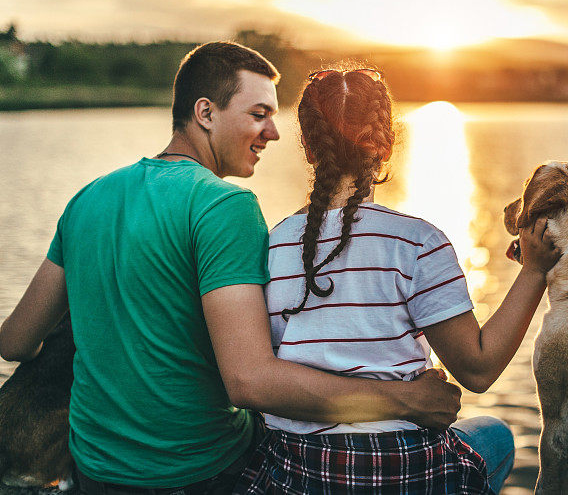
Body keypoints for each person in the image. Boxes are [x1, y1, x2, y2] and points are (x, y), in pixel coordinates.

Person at [0, 42, 463, 493]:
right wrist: (408, 400)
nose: (274, 132)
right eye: (259, 115)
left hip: (97, 470)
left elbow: (15, 341)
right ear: (205, 113)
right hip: (201, 471)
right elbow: (249, 381)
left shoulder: (89, 197)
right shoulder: (224, 205)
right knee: (487, 438)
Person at [235, 68, 561, 494]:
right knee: (496, 434)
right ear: (386, 146)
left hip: (300, 471)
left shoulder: (270, 245)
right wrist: (534, 271)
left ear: (310, 148)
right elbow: (477, 371)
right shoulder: (418, 242)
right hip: (405, 468)